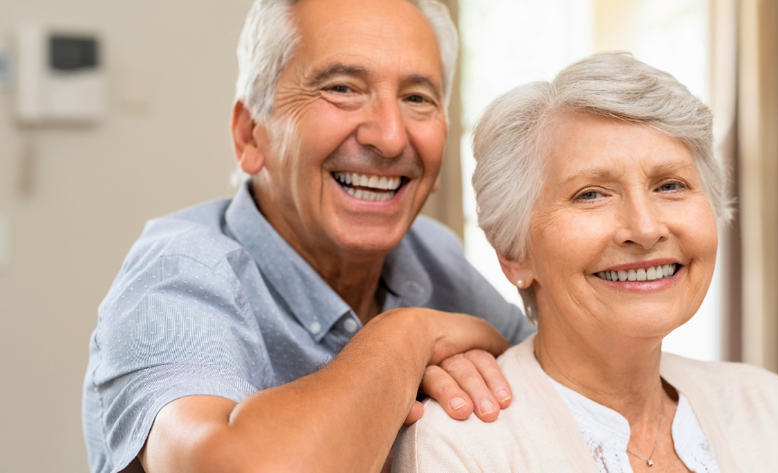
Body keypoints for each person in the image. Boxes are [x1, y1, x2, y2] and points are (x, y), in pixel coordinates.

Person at [81, 0, 535, 472]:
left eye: (418, 98)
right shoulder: (181, 271)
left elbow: (564, 380)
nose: (391, 137)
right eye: (342, 88)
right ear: (251, 136)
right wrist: (410, 334)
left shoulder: (430, 251)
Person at [393, 52, 778, 472]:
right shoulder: (458, 445)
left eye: (670, 185)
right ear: (513, 254)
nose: (644, 229)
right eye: (590, 194)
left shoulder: (771, 407)